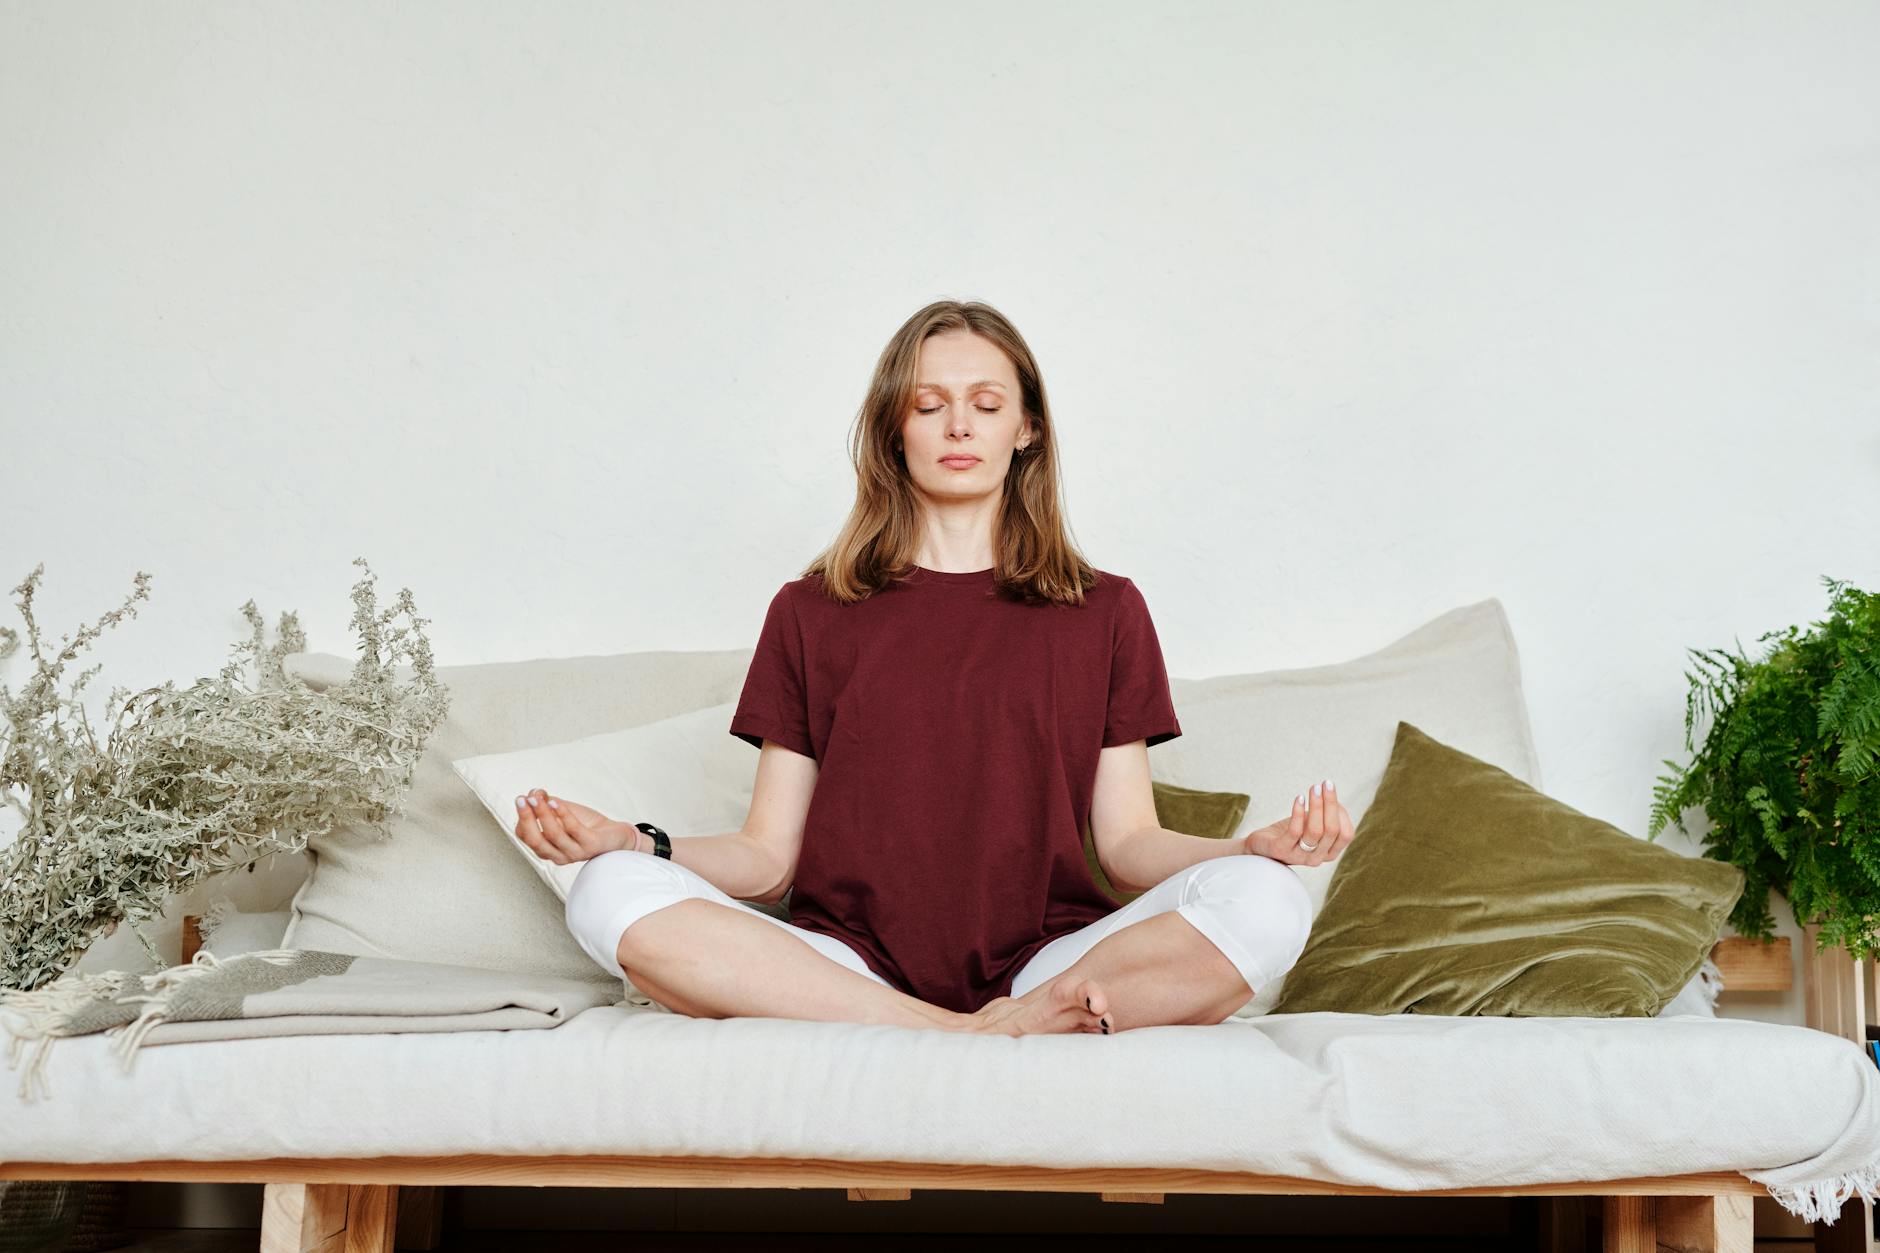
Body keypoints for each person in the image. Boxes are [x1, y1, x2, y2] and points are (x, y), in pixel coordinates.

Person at [523, 300, 1355, 1037]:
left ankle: (1007, 1013)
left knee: (1270, 901)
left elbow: (1129, 845)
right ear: (896, 429)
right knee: (606, 889)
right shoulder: (810, 610)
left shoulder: (1105, 610)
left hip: (1047, 960)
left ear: (1025, 430)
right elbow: (768, 858)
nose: (959, 426)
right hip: (846, 966)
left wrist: (1252, 850)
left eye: (986, 405)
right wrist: (634, 841)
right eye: (930, 405)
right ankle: (961, 1031)